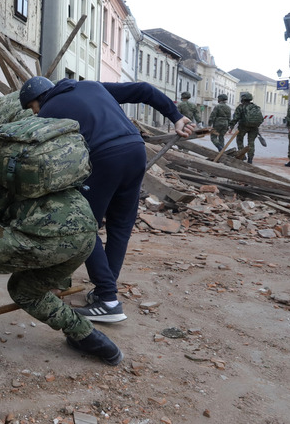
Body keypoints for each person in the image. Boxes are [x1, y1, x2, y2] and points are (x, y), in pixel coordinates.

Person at [0, 116, 124, 378]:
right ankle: (90, 338)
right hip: (86, 236)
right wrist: (60, 280)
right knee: (25, 291)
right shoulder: (20, 178)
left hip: (45, 236)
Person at [18, 76, 195, 322]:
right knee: (120, 225)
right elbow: (143, 89)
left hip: (104, 157)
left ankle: (109, 300)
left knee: (82, 226)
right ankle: (103, 294)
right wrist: (176, 116)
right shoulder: (91, 86)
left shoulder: (48, 112)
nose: (34, 112)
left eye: (31, 107)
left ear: (36, 99)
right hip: (135, 150)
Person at [228, 92, 262, 164]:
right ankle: (250, 158)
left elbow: (235, 118)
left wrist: (231, 127)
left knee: (239, 140)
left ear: (242, 99)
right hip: (254, 127)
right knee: (251, 142)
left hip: (243, 126)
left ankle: (242, 155)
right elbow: (261, 118)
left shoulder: (240, 107)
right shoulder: (256, 107)